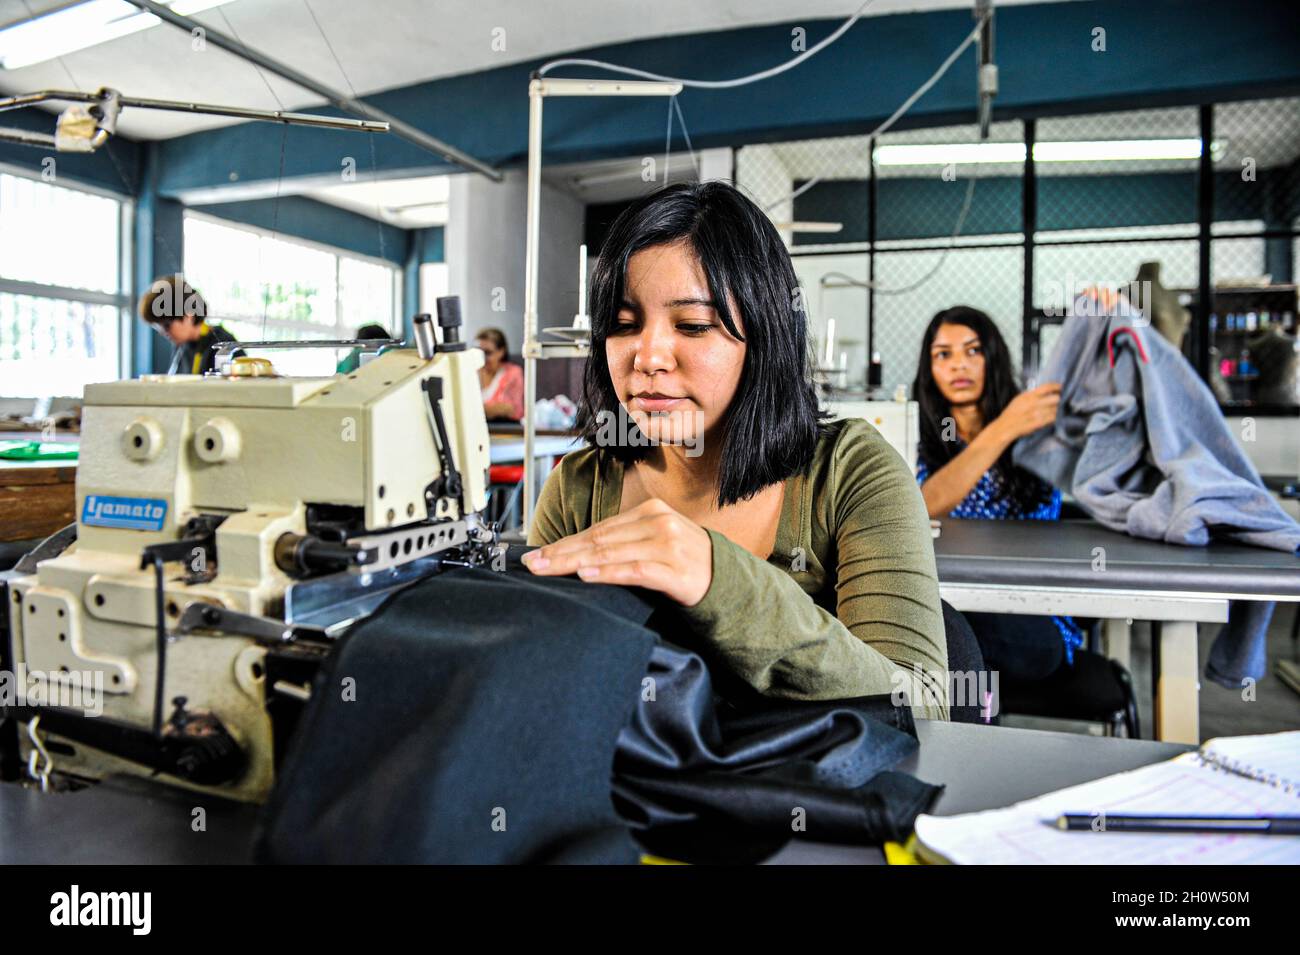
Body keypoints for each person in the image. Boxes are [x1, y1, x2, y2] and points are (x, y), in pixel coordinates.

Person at [522, 182, 948, 718]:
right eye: (624, 325)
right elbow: (544, 688)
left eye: (693, 325)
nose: (647, 356)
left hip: (807, 796)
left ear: (765, 333)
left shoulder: (851, 472)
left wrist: (717, 579)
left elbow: (923, 706)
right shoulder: (578, 488)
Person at [911, 305, 1082, 679]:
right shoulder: (919, 440)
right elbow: (921, 505)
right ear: (930, 368)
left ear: (993, 356)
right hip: (949, 600)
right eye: (944, 354)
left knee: (939, 640)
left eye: (973, 351)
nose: (959, 365)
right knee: (955, 652)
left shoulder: (1035, 429)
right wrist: (1002, 429)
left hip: (1032, 613)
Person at [138, 275, 241, 375]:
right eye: (158, 327)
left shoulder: (224, 347)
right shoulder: (181, 345)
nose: (163, 333)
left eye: (166, 325)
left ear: (189, 314)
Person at [476, 327, 524, 421]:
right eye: (479, 352)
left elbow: (511, 409)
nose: (483, 358)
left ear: (501, 352)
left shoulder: (513, 373)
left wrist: (474, 408)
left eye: (488, 353)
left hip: (502, 428)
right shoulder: (472, 372)